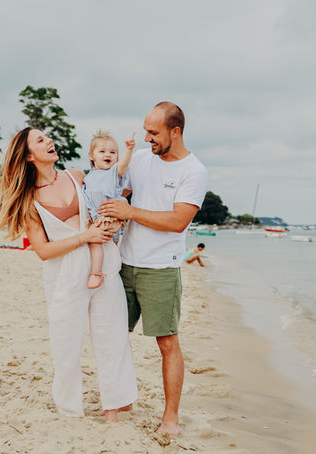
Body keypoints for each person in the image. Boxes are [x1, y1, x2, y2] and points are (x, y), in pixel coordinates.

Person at [0, 127, 137, 422]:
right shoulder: (28, 199)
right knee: (66, 345)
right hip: (64, 275)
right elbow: (43, 251)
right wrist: (85, 237)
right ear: (28, 156)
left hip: (104, 265)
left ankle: (114, 406)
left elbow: (108, 201)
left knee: (112, 337)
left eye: (48, 136)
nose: (49, 140)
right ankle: (70, 410)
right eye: (40, 140)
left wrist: (112, 226)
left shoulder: (76, 175)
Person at [99, 102, 208, 435]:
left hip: (161, 268)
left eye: (154, 132)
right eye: (146, 130)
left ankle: (170, 417)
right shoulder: (142, 160)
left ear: (175, 131)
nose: (147, 138)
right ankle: (122, 398)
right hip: (124, 263)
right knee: (115, 337)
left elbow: (178, 222)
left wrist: (130, 212)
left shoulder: (194, 171)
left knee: (167, 343)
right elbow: (116, 192)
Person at [82, 130, 135, 289]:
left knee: (96, 242)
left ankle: (96, 273)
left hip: (111, 213)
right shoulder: (89, 176)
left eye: (113, 152)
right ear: (91, 155)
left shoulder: (113, 172)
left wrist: (129, 150)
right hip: (98, 215)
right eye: (102, 151)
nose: (108, 155)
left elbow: (123, 164)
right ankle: (108, 269)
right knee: (105, 244)